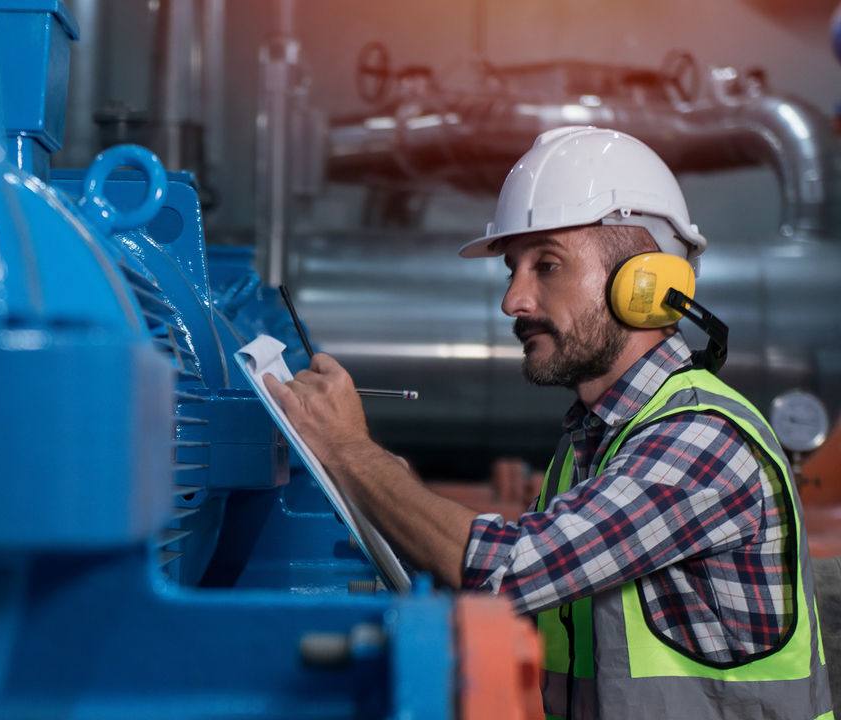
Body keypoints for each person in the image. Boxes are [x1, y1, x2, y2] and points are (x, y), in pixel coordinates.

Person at [264, 126, 831, 719]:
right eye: (513, 269)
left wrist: (352, 453)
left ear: (647, 285)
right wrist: (390, 490)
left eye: (548, 265)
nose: (513, 300)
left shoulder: (700, 439)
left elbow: (509, 571)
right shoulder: (593, 440)